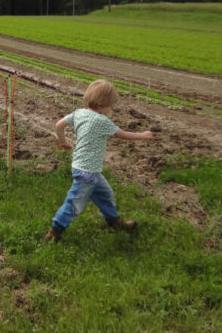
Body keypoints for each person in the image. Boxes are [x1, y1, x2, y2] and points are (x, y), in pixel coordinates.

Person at [45, 79, 154, 242]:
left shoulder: (79, 113)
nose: (111, 109)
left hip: (84, 168)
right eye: (111, 105)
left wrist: (63, 141)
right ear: (103, 104)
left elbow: (59, 125)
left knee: (105, 193)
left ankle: (113, 221)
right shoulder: (101, 121)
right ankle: (55, 231)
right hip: (87, 173)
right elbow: (122, 134)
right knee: (75, 203)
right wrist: (143, 136)